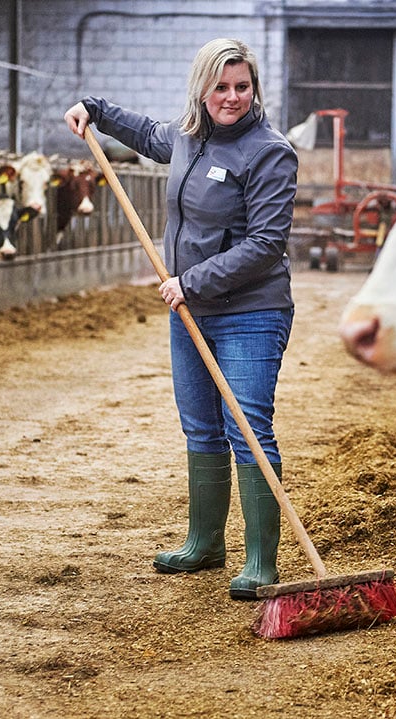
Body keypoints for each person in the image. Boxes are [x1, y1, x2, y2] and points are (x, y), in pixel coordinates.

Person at [64, 38, 298, 600]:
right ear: (202, 87)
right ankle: (204, 543)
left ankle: (261, 560)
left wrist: (188, 282)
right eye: (221, 86)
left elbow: (267, 244)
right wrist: (93, 108)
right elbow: (147, 134)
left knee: (249, 428)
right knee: (200, 425)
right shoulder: (188, 137)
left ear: (254, 88)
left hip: (250, 311)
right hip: (189, 310)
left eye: (242, 86)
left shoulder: (271, 153)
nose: (233, 97)